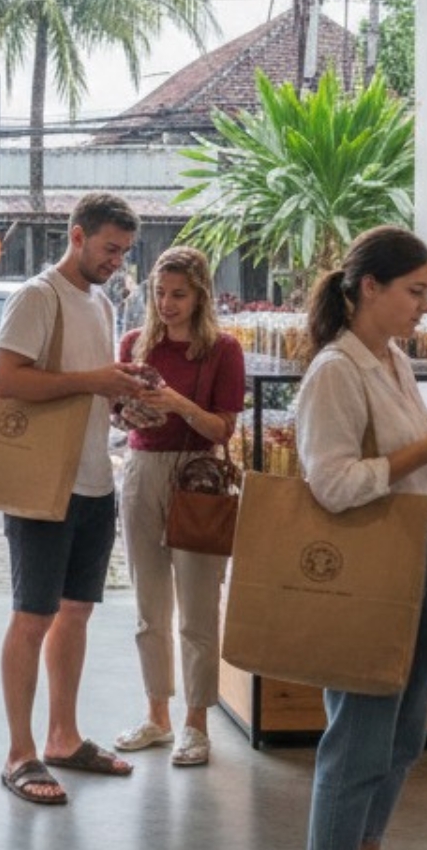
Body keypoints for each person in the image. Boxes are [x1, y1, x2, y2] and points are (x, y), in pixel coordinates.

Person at [296, 226, 427, 850]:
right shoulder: (335, 371)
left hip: (422, 556)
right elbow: (330, 483)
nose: (425, 306)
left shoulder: (393, 360)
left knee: (402, 736)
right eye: (415, 291)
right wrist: (424, 451)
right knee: (359, 739)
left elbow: (401, 458)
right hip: (373, 566)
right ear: (370, 288)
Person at [0, 192, 145, 806]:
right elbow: (7, 381)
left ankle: (63, 736)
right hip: (41, 483)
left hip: (93, 478)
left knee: (76, 613)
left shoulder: (102, 303)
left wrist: (124, 398)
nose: (117, 262)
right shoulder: (37, 296)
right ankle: (18, 753)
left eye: (125, 252)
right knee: (33, 617)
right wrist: (95, 381)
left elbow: (90, 388)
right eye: (110, 249)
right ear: (76, 237)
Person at [112, 246, 245, 767]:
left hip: (199, 477)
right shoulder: (134, 343)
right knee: (148, 605)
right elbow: (117, 416)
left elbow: (222, 429)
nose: (166, 304)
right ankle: (156, 715)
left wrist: (177, 404)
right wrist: (130, 415)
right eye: (159, 293)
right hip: (142, 473)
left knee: (197, 607)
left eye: (178, 295)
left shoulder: (222, 351)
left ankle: (196, 722)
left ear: (200, 297)